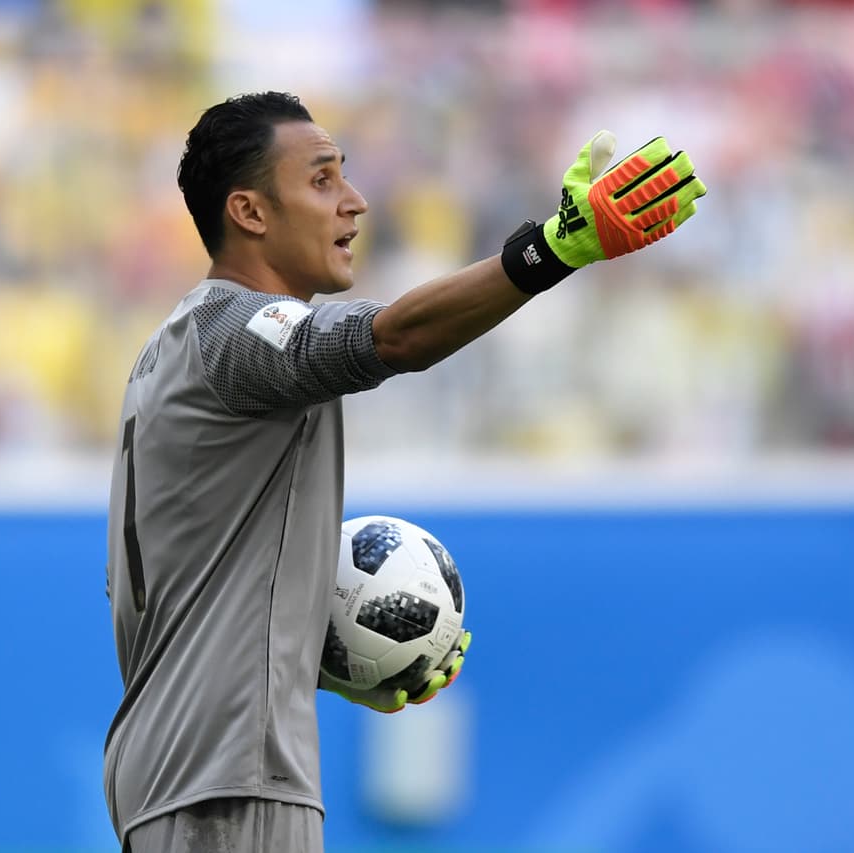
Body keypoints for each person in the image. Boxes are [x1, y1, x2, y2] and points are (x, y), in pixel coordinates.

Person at [103, 90, 706, 853]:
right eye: (322, 181)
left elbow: (202, 594)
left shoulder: (175, 349)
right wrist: (551, 249)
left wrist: (350, 641)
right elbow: (390, 340)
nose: (354, 203)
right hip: (226, 782)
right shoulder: (235, 330)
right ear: (251, 212)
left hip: (188, 773)